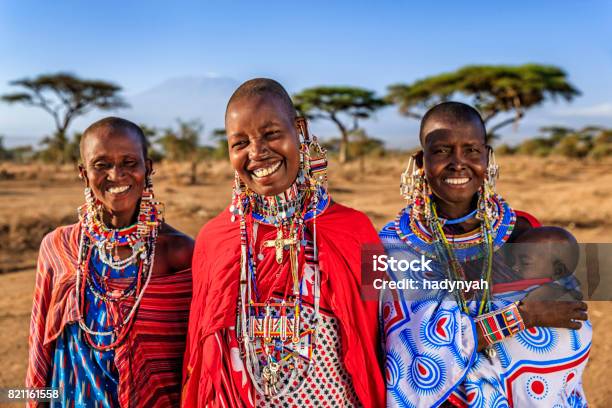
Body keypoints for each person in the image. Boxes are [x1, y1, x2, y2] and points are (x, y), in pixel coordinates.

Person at [182, 78, 385, 407]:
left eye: (271, 134)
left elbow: (379, 339)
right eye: (240, 143)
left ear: (299, 129)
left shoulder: (356, 230)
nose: (257, 153)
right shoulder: (213, 240)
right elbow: (201, 357)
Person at [379, 102, 591, 407]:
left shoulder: (521, 230)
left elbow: (567, 312)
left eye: (472, 150)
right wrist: (523, 316)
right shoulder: (395, 244)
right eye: (441, 151)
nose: (458, 163)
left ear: (488, 156)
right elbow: (410, 356)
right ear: (420, 161)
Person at [26, 117, 194, 407]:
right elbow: (40, 345)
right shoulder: (59, 246)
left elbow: (196, 358)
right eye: (101, 164)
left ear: (148, 167)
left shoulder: (179, 252)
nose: (116, 174)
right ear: (83, 173)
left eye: (129, 162)